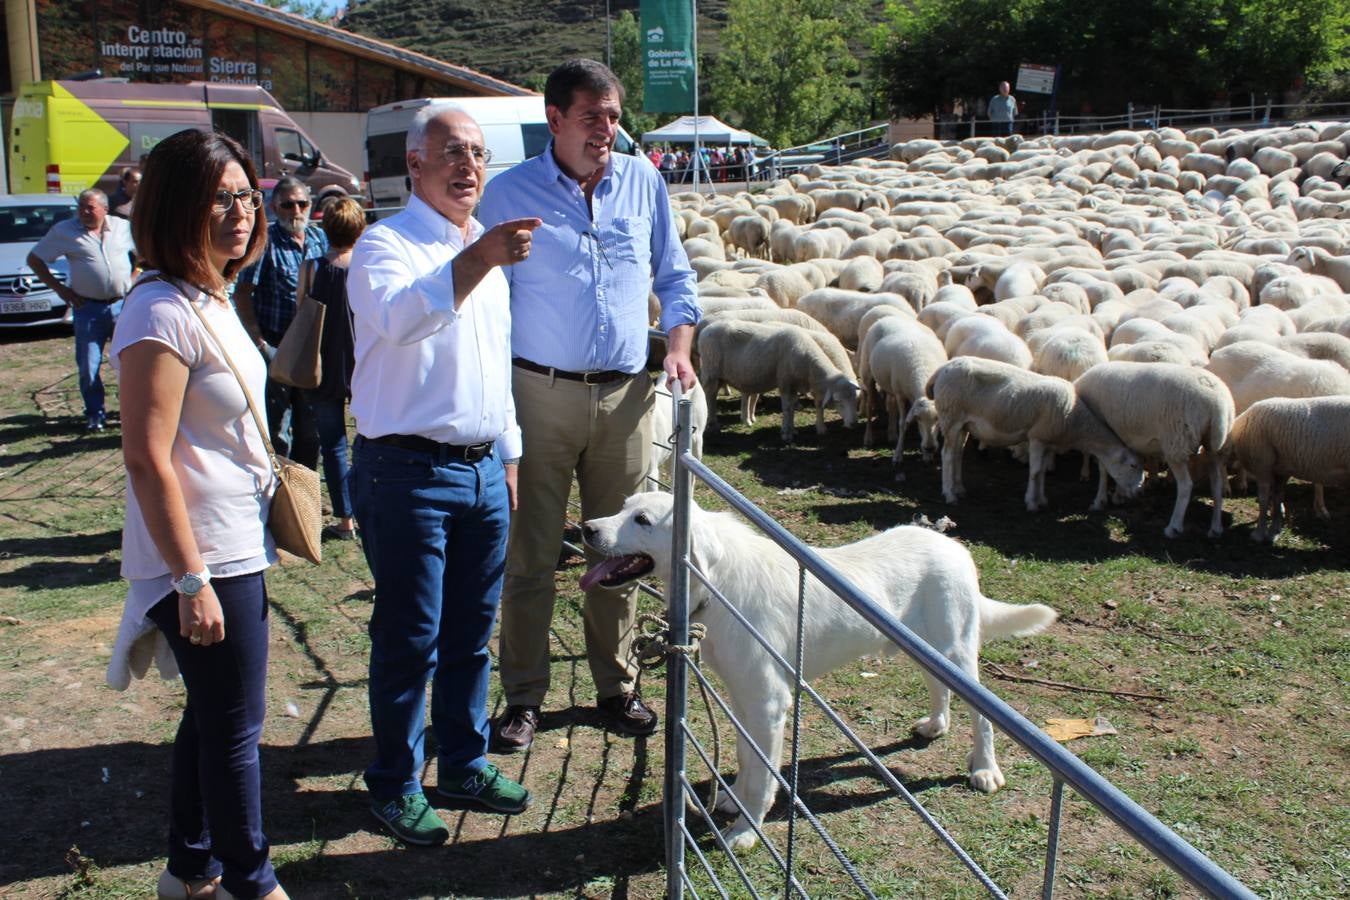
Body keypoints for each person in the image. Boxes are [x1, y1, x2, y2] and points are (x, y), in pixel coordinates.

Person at [478, 58, 699, 755]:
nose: (608, 128)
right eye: (592, 116)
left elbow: (676, 275)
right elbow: (487, 303)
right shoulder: (508, 194)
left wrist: (681, 344)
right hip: (538, 395)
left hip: (630, 396)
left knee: (624, 550)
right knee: (533, 553)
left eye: (613, 115)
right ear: (554, 119)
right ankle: (522, 695)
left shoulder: (644, 182)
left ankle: (618, 684)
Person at [347, 102, 541, 846]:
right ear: (416, 166)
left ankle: (462, 760)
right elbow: (400, 320)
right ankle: (394, 784)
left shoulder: (484, 252)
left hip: (482, 468)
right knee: (410, 636)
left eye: (478, 154)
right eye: (451, 152)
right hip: (407, 472)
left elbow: (496, 360)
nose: (469, 166)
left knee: (469, 632)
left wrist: (510, 453)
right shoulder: (386, 245)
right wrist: (479, 259)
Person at [107, 128, 289, 900]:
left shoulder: (206, 294)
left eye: (246, 195)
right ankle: (252, 882)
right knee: (235, 728)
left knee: (214, 715)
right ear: (177, 205)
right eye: (220, 198)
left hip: (232, 542)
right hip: (205, 554)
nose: (240, 211)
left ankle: (190, 869)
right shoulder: (159, 310)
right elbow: (146, 457)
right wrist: (190, 580)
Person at [234, 177, 327, 467]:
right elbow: (243, 293)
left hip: (312, 348)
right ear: (275, 207)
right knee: (278, 429)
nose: (296, 210)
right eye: (288, 204)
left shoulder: (318, 239)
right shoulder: (264, 243)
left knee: (311, 430)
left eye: (302, 203)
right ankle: (277, 495)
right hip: (277, 345)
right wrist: (259, 342)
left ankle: (304, 493)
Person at [27, 188, 136, 432]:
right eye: (81, 207)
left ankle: (130, 411)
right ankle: (95, 412)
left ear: (105, 209)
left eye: (90, 208)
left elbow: (145, 254)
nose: (84, 212)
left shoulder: (122, 227)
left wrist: (134, 276)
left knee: (129, 363)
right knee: (89, 364)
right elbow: (35, 260)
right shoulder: (65, 232)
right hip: (88, 307)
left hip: (123, 305)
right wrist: (60, 290)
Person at [295, 196, 363, 542]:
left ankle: (346, 519)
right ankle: (369, 508)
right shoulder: (367, 265)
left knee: (334, 445)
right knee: (369, 440)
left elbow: (301, 314)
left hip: (321, 365)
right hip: (363, 363)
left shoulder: (311, 268)